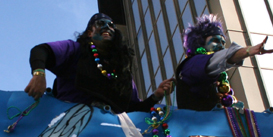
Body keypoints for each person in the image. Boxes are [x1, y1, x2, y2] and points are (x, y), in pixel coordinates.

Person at [25, 13, 173, 113]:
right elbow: (41, 50)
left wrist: (156, 96)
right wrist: (39, 74)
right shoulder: (75, 50)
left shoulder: (122, 73)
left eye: (111, 25)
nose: (107, 27)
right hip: (69, 125)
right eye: (101, 23)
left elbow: (133, 110)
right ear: (90, 32)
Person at [175, 14, 273, 111]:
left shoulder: (216, 72)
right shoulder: (193, 63)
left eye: (223, 43)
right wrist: (247, 51)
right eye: (215, 41)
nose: (221, 46)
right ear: (200, 43)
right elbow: (217, 60)